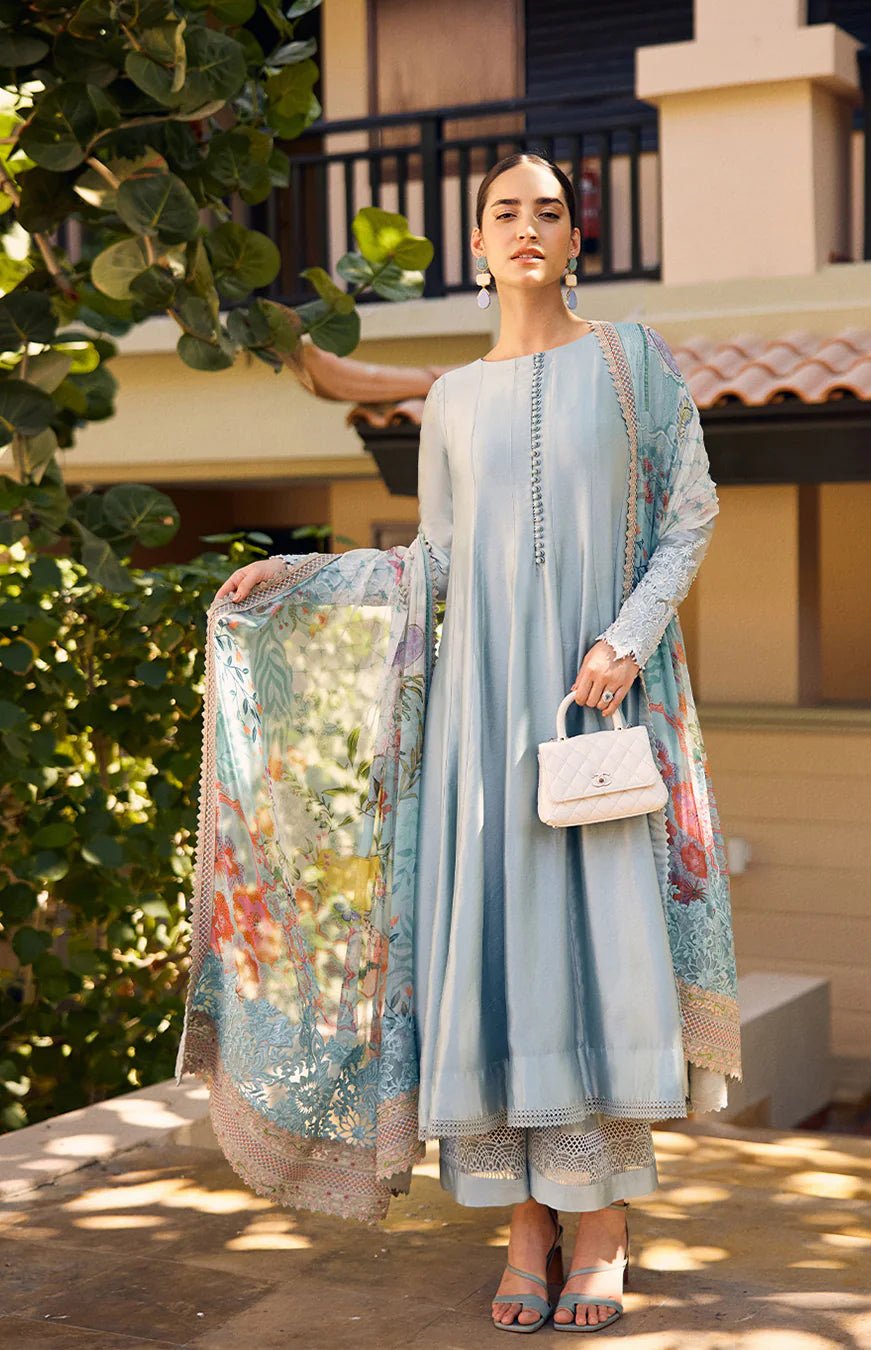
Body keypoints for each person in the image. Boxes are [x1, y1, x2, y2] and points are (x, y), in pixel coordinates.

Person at [182, 153, 740, 1334]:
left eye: (549, 212)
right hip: (481, 722)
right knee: (495, 958)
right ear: (475, 245)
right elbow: (431, 566)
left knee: (602, 953)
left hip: (595, 714)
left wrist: (630, 639)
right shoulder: (453, 403)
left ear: (577, 239)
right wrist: (303, 581)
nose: (527, 228)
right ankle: (523, 1223)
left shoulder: (632, 361)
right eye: (504, 213)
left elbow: (691, 509)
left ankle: (599, 1223)